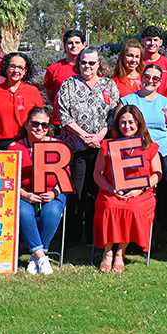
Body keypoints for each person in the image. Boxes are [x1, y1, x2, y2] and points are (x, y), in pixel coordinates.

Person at [57, 49, 122, 245]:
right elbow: (63, 113)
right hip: (76, 147)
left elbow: (114, 113)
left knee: (96, 190)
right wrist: (84, 135)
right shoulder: (69, 85)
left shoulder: (109, 85)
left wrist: (101, 135)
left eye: (92, 63)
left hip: (101, 147)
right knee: (76, 191)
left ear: (99, 64)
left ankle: (94, 234)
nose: (88, 66)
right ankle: (73, 235)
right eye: (84, 62)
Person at [92, 105, 161, 273]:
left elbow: (158, 174)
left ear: (139, 123)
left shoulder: (149, 146)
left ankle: (120, 252)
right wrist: (109, 188)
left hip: (140, 194)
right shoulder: (107, 145)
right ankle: (107, 253)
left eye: (131, 122)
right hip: (112, 191)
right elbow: (97, 174)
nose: (127, 126)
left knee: (133, 208)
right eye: (123, 122)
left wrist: (141, 188)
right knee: (109, 207)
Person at [120, 63, 167, 232]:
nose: (151, 81)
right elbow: (118, 128)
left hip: (162, 152)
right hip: (135, 153)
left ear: (160, 81)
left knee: (165, 191)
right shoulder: (128, 101)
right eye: (147, 77)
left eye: (155, 78)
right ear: (141, 77)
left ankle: (164, 227)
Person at [7, 107, 66, 276]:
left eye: (44, 125)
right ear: (26, 124)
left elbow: (66, 176)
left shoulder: (57, 146)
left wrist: (55, 193)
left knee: (53, 211)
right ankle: (41, 256)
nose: (39, 128)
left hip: (52, 191)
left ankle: (36, 255)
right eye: (35, 123)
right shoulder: (15, 147)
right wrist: (23, 194)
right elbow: (8, 178)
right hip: (24, 193)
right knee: (23, 212)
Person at [0, 52, 46, 148]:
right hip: (1, 144)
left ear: (25, 70)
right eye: (12, 66)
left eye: (20, 67)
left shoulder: (33, 91)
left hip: (27, 143)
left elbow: (41, 119)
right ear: (6, 68)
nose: (16, 70)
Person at [43, 29, 86, 126]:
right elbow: (51, 96)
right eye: (70, 43)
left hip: (85, 124)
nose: (74, 46)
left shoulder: (91, 68)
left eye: (77, 42)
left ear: (84, 45)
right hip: (60, 123)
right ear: (65, 46)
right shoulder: (54, 68)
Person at [140, 25, 167, 93]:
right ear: (143, 41)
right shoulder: (136, 63)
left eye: (155, 40)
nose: (152, 43)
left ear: (161, 42)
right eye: (149, 40)